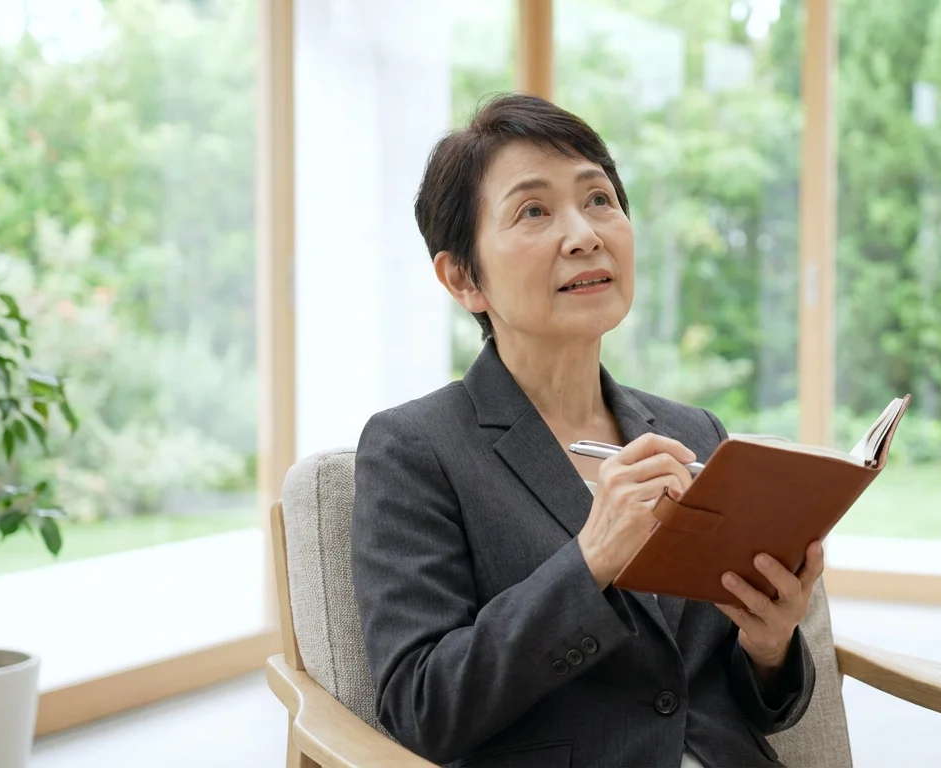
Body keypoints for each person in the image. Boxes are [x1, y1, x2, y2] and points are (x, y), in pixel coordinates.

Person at [351, 92, 822, 768]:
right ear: (462, 278)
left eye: (599, 199)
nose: (585, 234)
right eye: (534, 211)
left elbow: (740, 700)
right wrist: (591, 560)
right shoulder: (415, 448)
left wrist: (770, 647)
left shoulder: (694, 431)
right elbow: (423, 708)